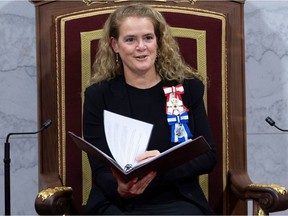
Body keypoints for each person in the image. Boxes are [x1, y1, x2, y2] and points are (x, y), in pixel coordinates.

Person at [83, 3, 216, 215]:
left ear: (159, 42)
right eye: (130, 39)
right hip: (118, 202)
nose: (141, 47)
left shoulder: (188, 87)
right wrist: (120, 188)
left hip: (176, 197)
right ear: (115, 45)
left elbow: (208, 155)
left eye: (148, 37)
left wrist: (160, 166)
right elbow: (99, 168)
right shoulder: (98, 96)